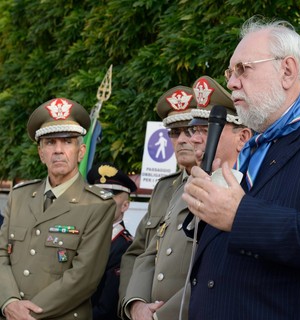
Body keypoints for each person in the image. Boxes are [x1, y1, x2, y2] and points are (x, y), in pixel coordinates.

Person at [182, 17, 300, 319]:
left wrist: (240, 215)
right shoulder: (259, 143)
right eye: (230, 72)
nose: (231, 82)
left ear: (287, 71)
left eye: (243, 69)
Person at [122, 77, 245, 320]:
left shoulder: (244, 191)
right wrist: (136, 305)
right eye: (193, 130)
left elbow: (216, 273)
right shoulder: (180, 187)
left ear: (243, 137)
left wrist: (160, 316)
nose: (192, 139)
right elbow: (149, 251)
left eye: (207, 129)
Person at [0, 98, 116, 320]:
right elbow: (1, 254)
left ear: (81, 152)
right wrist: (8, 301)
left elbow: (83, 278)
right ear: (41, 153)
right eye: (50, 143)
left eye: (67, 142)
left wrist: (25, 313)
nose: (58, 150)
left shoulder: (98, 206)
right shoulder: (19, 196)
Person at [118, 86, 197, 319]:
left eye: (190, 130)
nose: (182, 139)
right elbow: (138, 253)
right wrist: (134, 305)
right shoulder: (164, 188)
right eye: (174, 132)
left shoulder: (222, 184)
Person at [86, 162, 137, 320]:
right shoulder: (84, 235)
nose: (103, 199)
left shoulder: (124, 246)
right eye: (98, 193)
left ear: (125, 206)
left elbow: (106, 308)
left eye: (110, 194)